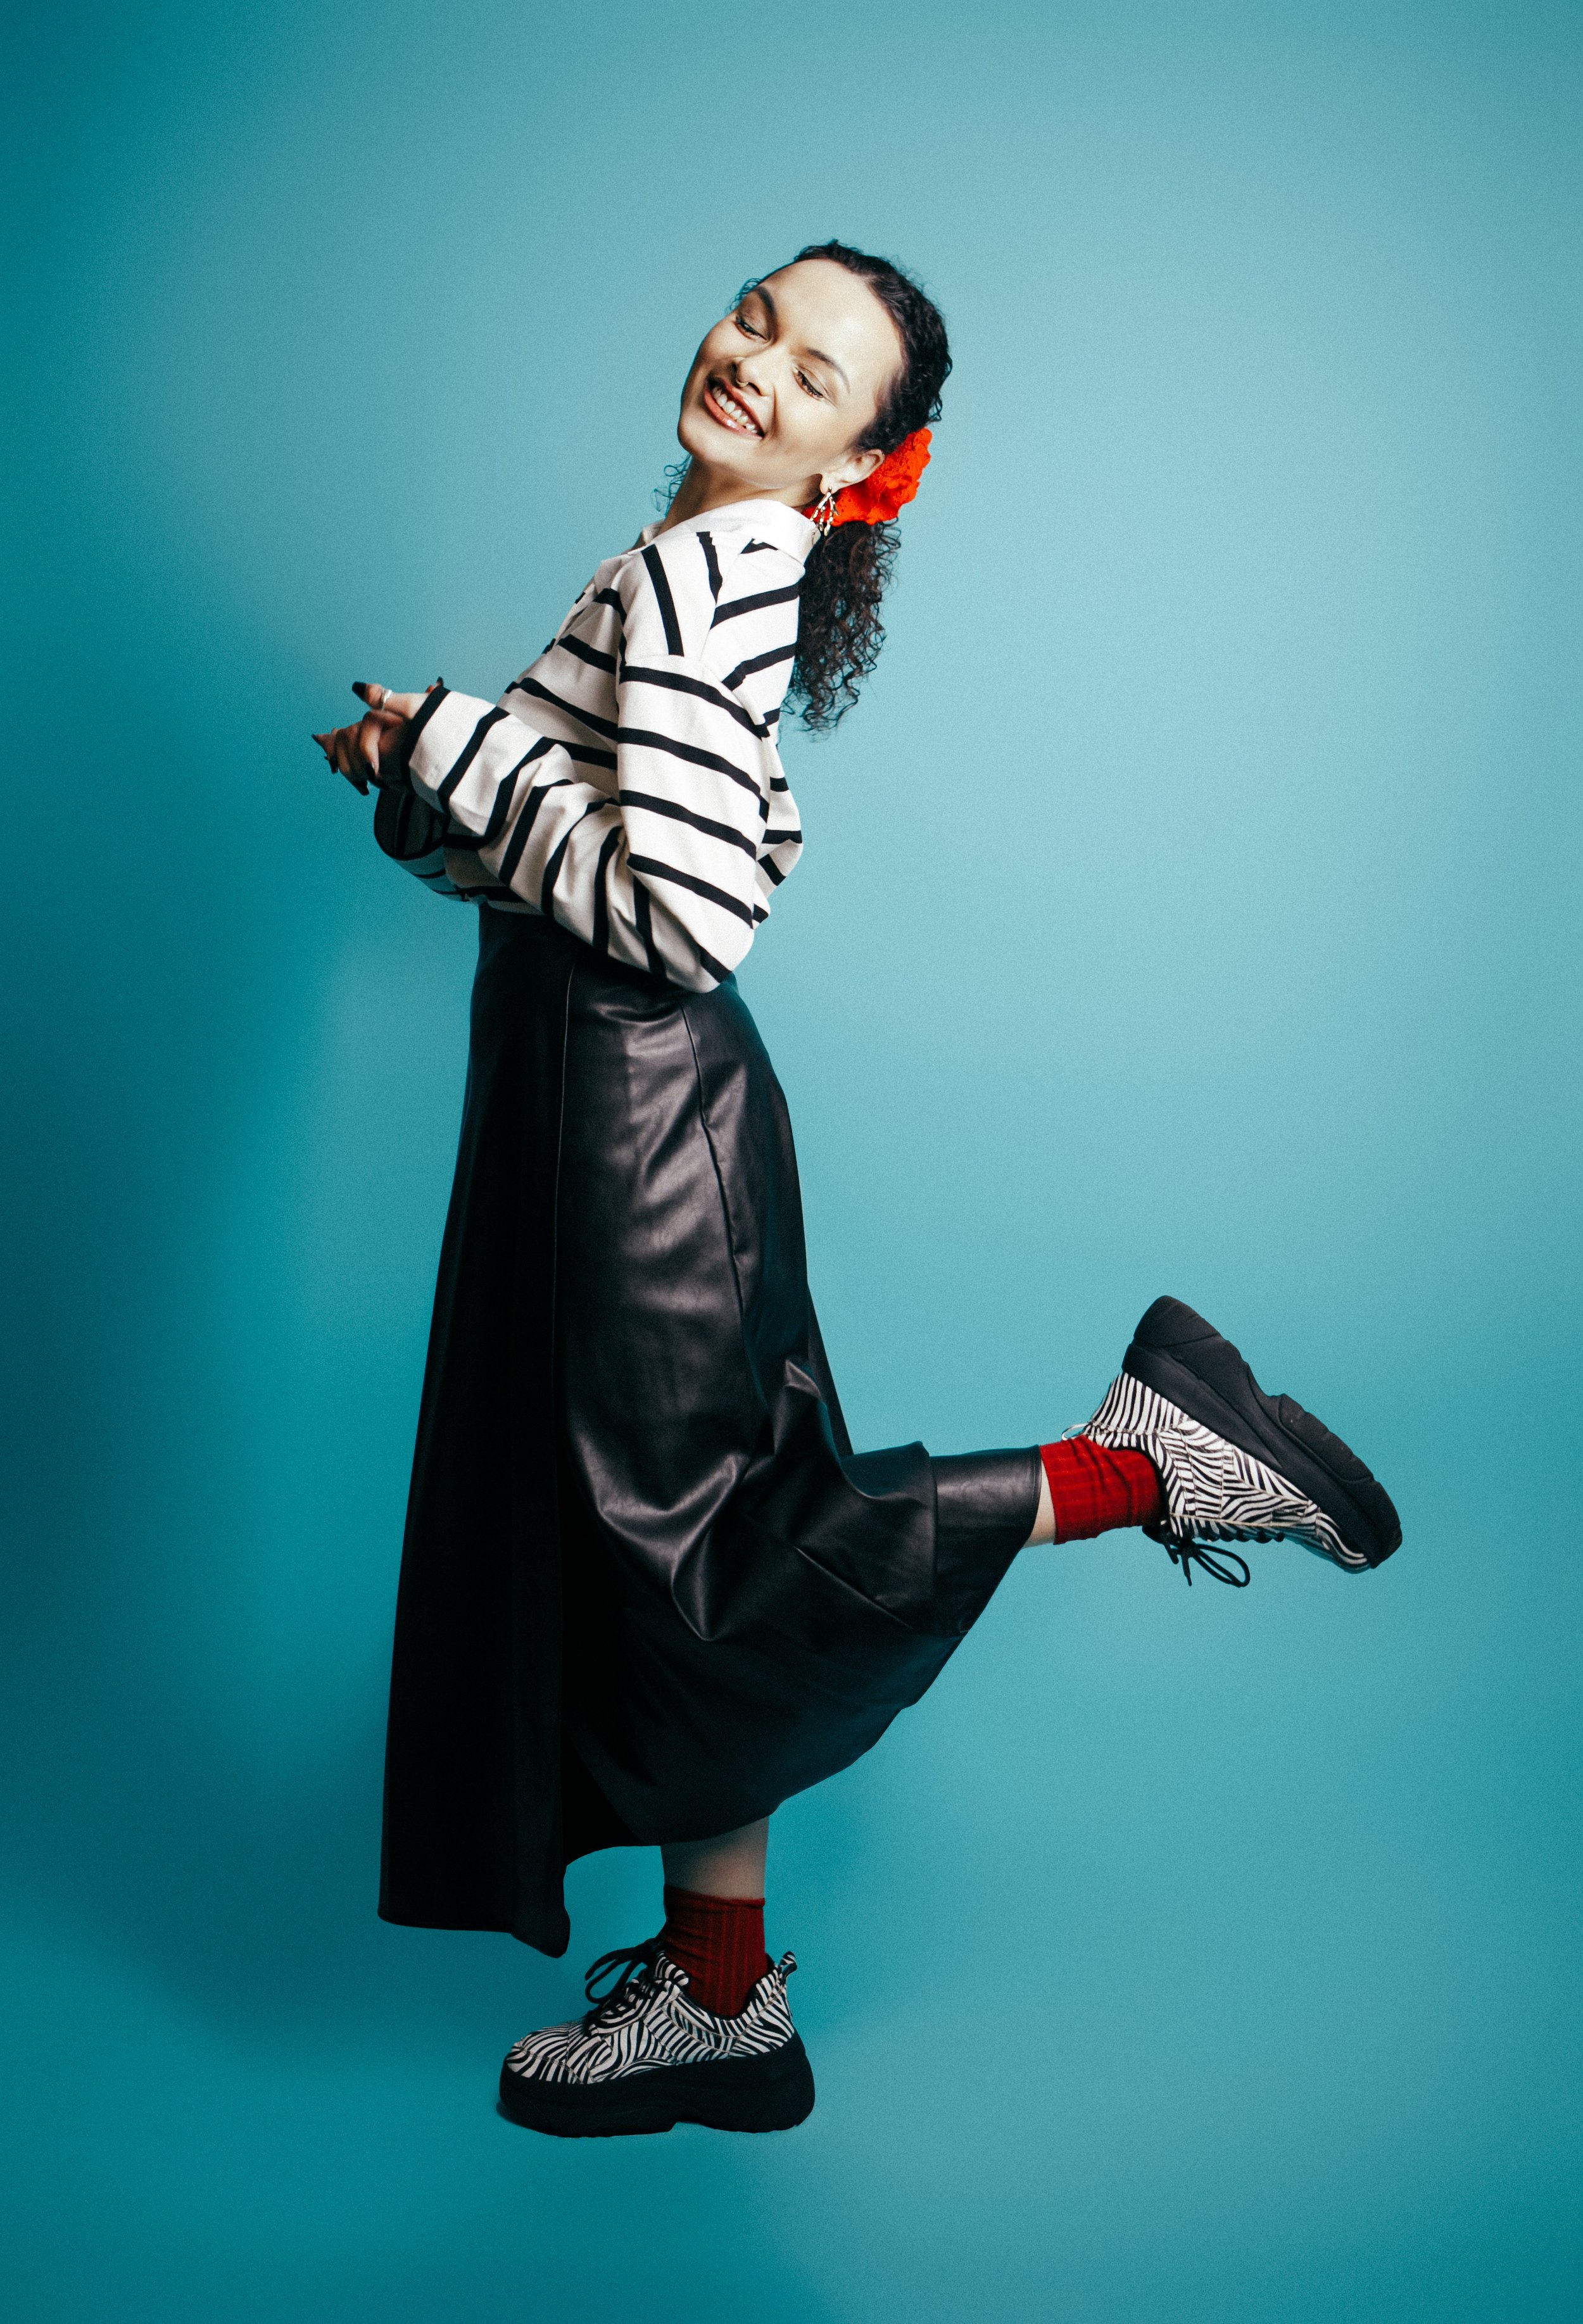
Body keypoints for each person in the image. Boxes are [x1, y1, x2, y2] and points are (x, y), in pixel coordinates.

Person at [313, 241, 1401, 2142]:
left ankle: (1144, 1466)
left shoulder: (705, 569)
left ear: (853, 462)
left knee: (700, 1564)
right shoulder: (694, 560)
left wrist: (462, 750)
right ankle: (720, 2000)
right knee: (683, 1556)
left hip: (628, 1127)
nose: (755, 364)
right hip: (607, 1114)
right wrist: (427, 782)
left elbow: (680, 917)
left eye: (815, 376)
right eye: (756, 318)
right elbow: (594, 853)